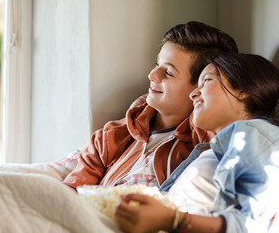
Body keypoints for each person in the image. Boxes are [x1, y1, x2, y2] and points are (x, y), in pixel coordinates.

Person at [115, 53, 279, 233]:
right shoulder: (217, 148)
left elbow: (249, 226)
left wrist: (173, 220)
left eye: (207, 81)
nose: (193, 94)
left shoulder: (256, 135)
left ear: (244, 89)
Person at [63, 21, 239, 190]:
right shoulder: (112, 137)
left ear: (200, 87)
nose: (152, 75)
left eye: (168, 72)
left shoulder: (203, 141)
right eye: (157, 64)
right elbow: (68, 197)